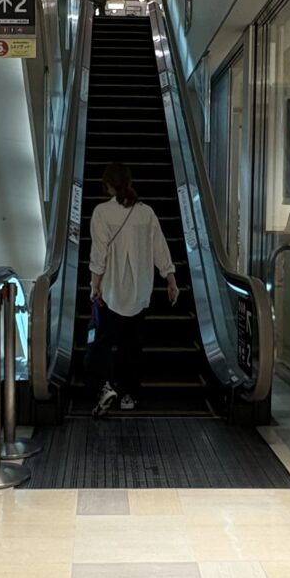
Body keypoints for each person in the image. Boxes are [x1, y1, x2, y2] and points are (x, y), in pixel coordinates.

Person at [87, 162, 179, 417]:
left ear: (108, 185)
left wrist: (95, 285)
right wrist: (170, 279)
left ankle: (105, 386)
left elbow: (99, 254)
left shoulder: (102, 213)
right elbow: (160, 247)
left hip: (111, 291)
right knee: (133, 344)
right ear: (129, 183)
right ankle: (129, 394)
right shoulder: (146, 213)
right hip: (140, 291)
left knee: (103, 341)